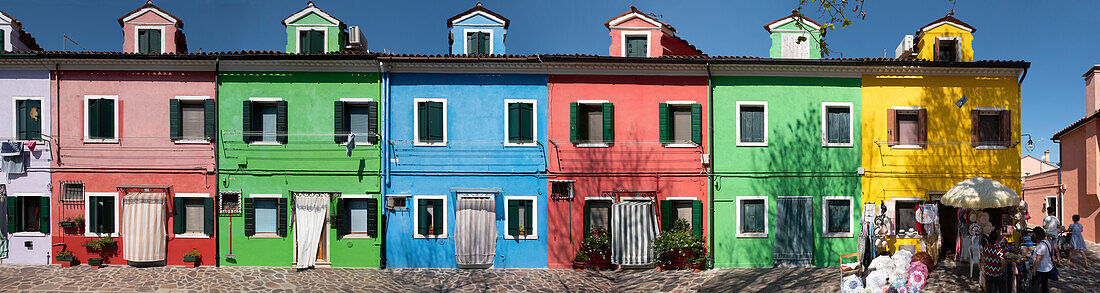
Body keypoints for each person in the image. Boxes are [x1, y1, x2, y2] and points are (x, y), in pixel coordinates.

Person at [1030, 227, 1055, 293]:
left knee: (1035, 286)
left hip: (1041, 269)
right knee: (1044, 286)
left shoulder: (1041, 245)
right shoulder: (1046, 242)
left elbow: (1039, 259)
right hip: (1046, 268)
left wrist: (1034, 269)